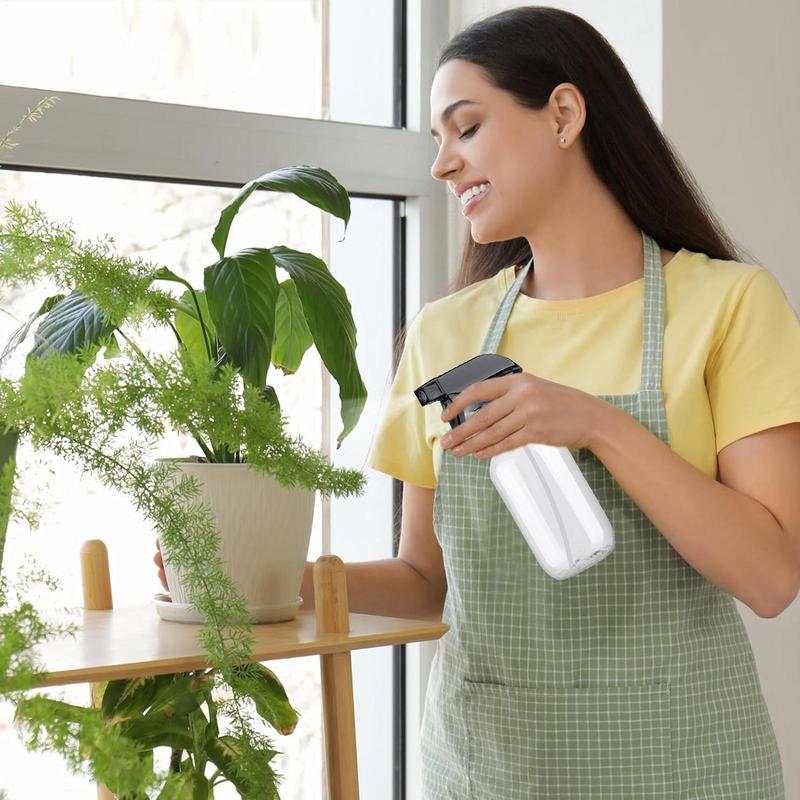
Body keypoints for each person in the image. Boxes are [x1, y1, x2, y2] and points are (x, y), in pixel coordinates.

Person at [157, 6, 800, 797]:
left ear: (564, 114)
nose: (442, 166)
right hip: (490, 766)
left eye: (465, 129)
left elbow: (772, 575)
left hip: (685, 764)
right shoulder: (447, 331)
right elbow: (424, 576)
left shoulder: (729, 305)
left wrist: (595, 424)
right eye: (435, 141)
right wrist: (269, 582)